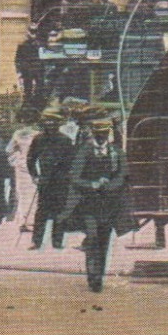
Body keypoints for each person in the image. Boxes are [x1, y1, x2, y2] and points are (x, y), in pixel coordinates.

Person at [62, 116, 131, 291]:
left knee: (104, 240)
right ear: (93, 134)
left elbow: (123, 175)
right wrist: (91, 184)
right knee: (92, 236)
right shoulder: (84, 152)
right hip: (89, 203)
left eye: (104, 134)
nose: (101, 138)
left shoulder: (116, 152)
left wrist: (109, 185)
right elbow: (74, 177)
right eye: (98, 134)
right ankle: (92, 274)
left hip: (109, 204)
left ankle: (99, 275)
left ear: (108, 134)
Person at [25, 110, 75, 250]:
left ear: (58, 124)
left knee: (60, 211)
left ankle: (57, 241)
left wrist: (66, 176)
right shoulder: (38, 139)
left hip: (61, 181)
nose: (50, 124)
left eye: (53, 122)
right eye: (47, 121)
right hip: (45, 180)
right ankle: (36, 241)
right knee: (41, 211)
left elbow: (71, 162)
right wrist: (34, 175)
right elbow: (30, 158)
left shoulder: (65, 140)